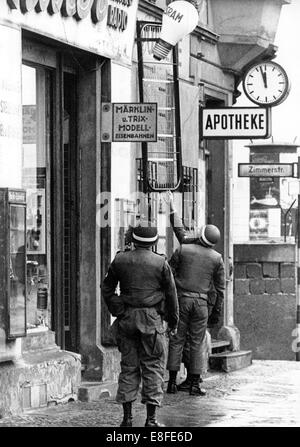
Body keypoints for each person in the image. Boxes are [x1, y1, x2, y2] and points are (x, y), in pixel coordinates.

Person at [102, 223, 179, 427]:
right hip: (152, 320)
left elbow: (107, 288)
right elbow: (171, 295)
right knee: (153, 368)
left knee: (128, 367)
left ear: (133, 240)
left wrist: (118, 309)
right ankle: (151, 420)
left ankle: (127, 419)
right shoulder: (160, 263)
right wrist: (173, 322)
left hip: (127, 319)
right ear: (154, 242)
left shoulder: (120, 259)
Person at [165, 191, 225, 396]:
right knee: (197, 343)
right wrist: (216, 311)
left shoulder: (184, 249)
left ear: (200, 235)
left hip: (182, 300)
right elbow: (220, 289)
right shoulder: (217, 258)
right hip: (201, 305)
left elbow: (180, 233)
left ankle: (172, 383)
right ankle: (194, 384)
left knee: (177, 339)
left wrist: (172, 208)